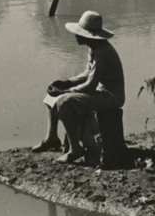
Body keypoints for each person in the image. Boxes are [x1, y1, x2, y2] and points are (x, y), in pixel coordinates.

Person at [35, 9, 125, 165]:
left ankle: (75, 149)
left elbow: (90, 85)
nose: (76, 35)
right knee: (50, 96)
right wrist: (67, 82)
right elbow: (88, 73)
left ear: (87, 35)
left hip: (111, 97)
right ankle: (51, 138)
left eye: (79, 32)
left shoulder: (102, 52)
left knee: (64, 102)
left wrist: (66, 91)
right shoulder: (94, 47)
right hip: (100, 92)